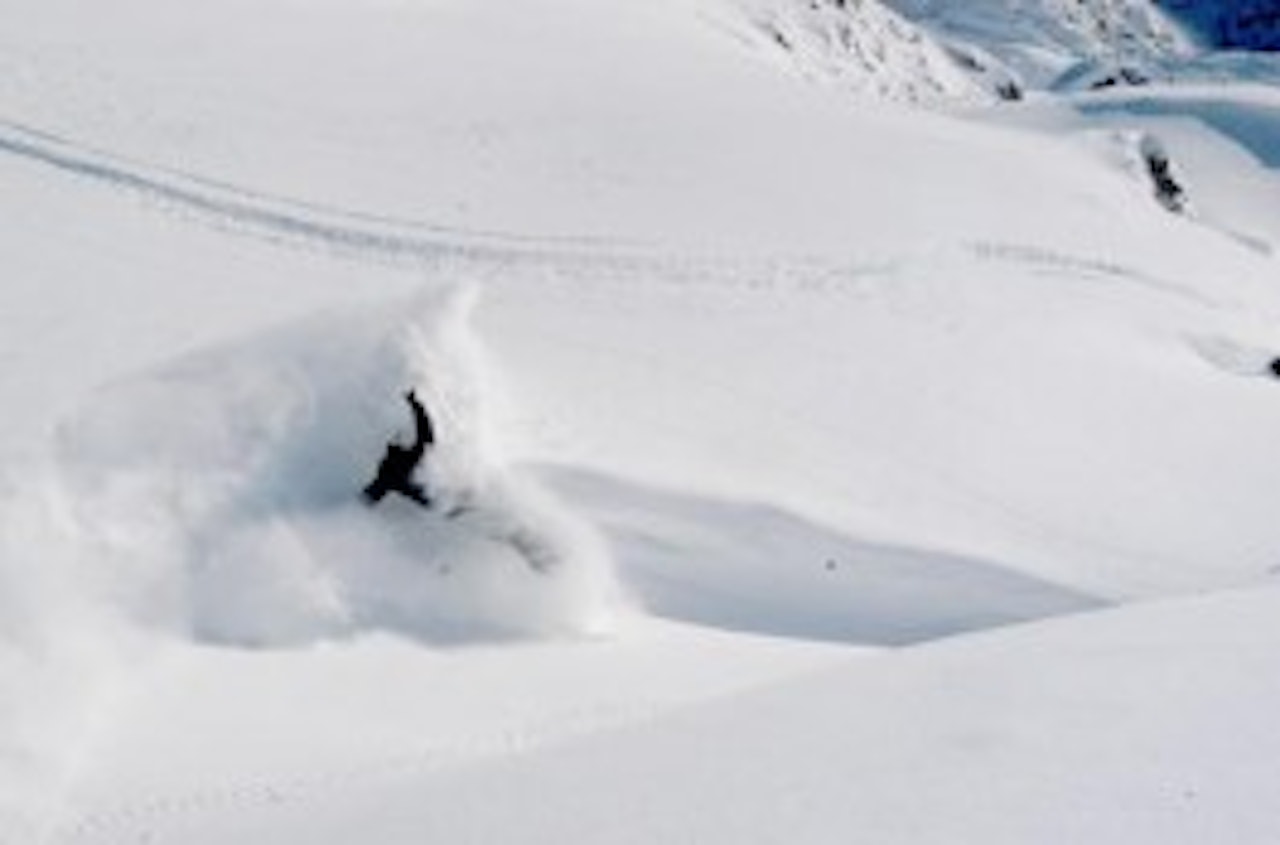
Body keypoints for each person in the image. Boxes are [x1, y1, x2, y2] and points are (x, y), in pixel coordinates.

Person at [363, 389, 436, 507]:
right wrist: (415, 403)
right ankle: (437, 503)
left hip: (398, 475)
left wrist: (415, 403)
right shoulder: (403, 452)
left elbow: (424, 427)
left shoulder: (420, 447)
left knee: (423, 494)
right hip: (394, 474)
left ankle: (440, 503)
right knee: (386, 485)